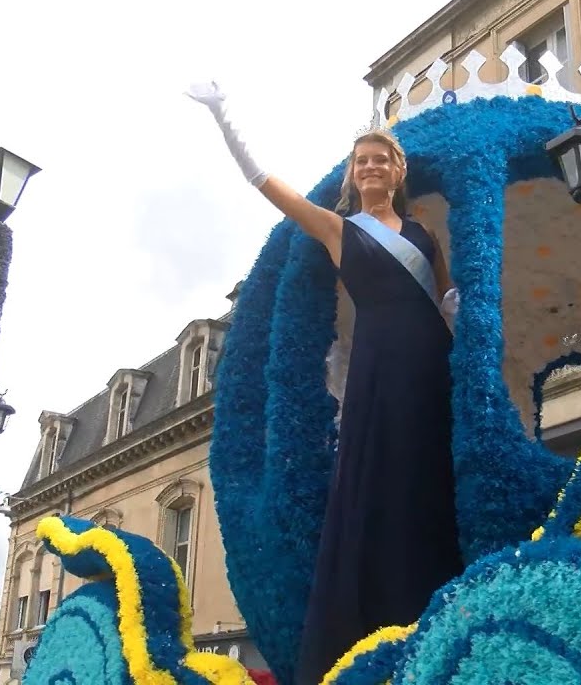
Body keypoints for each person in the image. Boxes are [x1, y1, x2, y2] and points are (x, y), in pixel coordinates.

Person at [186, 82, 466, 685]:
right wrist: (223, 113)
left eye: (380, 159)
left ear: (397, 170)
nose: (370, 167)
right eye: (361, 160)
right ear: (353, 173)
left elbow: (446, 301)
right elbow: (267, 183)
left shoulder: (422, 234)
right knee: (373, 483)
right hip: (375, 369)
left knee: (429, 481)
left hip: (427, 365)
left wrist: (470, 323)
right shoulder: (339, 230)